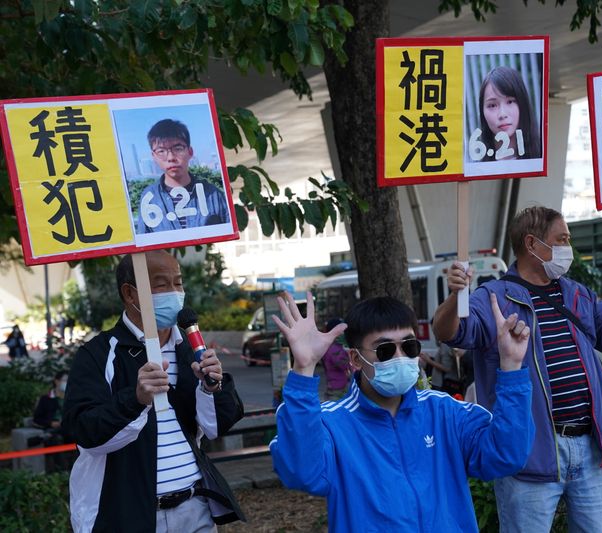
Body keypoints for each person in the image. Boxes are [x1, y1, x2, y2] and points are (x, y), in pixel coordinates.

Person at [433, 205, 602, 532]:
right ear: (532, 244)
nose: (569, 247)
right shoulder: (494, 297)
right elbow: (448, 332)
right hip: (529, 456)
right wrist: (457, 298)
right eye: (562, 238)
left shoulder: (576, 293)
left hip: (592, 451)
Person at [270, 293, 535, 532]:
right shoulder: (331, 423)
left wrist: (511, 368)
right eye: (385, 350)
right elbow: (301, 473)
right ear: (354, 359)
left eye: (409, 346)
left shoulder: (444, 412)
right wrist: (303, 369)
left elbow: (506, 456)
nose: (400, 357)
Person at [63, 250, 245, 531]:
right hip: (128, 514)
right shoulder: (98, 353)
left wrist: (212, 387)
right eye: (161, 285)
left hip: (195, 507)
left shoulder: (187, 348)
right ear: (130, 294)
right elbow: (85, 432)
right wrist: (135, 399)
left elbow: (215, 427)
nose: (174, 293)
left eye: (178, 283)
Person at [136, 119, 230, 233]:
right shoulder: (149, 198)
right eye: (161, 151)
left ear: (190, 152)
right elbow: (144, 242)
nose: (171, 157)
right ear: (154, 156)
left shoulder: (213, 194)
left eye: (178, 148)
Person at [478, 66, 541, 162]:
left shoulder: (541, 158)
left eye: (510, 102)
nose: (502, 114)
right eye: (492, 105)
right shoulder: (475, 169)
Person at [321, 317, 350, 400]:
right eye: (342, 330)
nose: (344, 332)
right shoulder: (333, 348)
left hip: (336, 385)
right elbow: (342, 365)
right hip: (337, 388)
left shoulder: (333, 346)